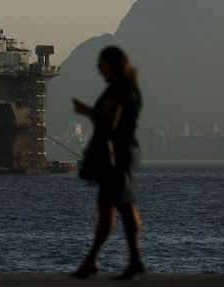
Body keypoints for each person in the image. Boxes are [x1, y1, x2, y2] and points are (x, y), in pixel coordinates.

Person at [71, 46, 145, 280]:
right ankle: (133, 260)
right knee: (122, 207)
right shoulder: (129, 88)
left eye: (102, 65)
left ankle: (93, 260)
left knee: (110, 208)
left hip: (116, 155)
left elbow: (109, 123)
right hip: (122, 152)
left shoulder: (120, 90)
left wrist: (86, 111)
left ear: (112, 65)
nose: (99, 70)